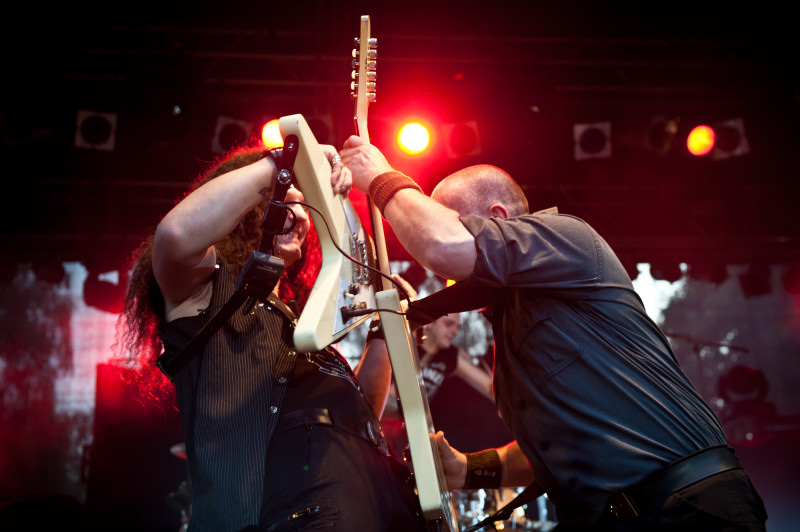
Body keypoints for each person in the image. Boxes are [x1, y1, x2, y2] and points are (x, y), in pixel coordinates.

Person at [340, 136, 768, 530]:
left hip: (686, 509)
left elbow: (443, 246)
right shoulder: (512, 318)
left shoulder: (566, 237)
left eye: (454, 221)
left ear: (498, 219)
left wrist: (380, 177)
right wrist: (468, 471)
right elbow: (554, 448)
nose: (440, 275)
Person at [115, 140, 426, 532]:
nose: (297, 213)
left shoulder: (298, 323)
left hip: (375, 501)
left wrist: (388, 329)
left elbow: (357, 420)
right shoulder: (206, 294)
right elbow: (176, 235)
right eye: (282, 198)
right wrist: (284, 160)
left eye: (303, 204)